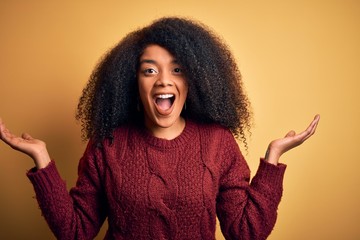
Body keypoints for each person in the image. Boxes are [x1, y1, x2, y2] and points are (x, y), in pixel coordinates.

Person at [0, 17, 320, 240]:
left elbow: (247, 232)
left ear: (193, 79)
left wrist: (273, 160)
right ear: (132, 82)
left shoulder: (218, 143)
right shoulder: (108, 144)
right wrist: (41, 160)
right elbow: (75, 231)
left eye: (177, 69)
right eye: (149, 70)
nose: (164, 80)